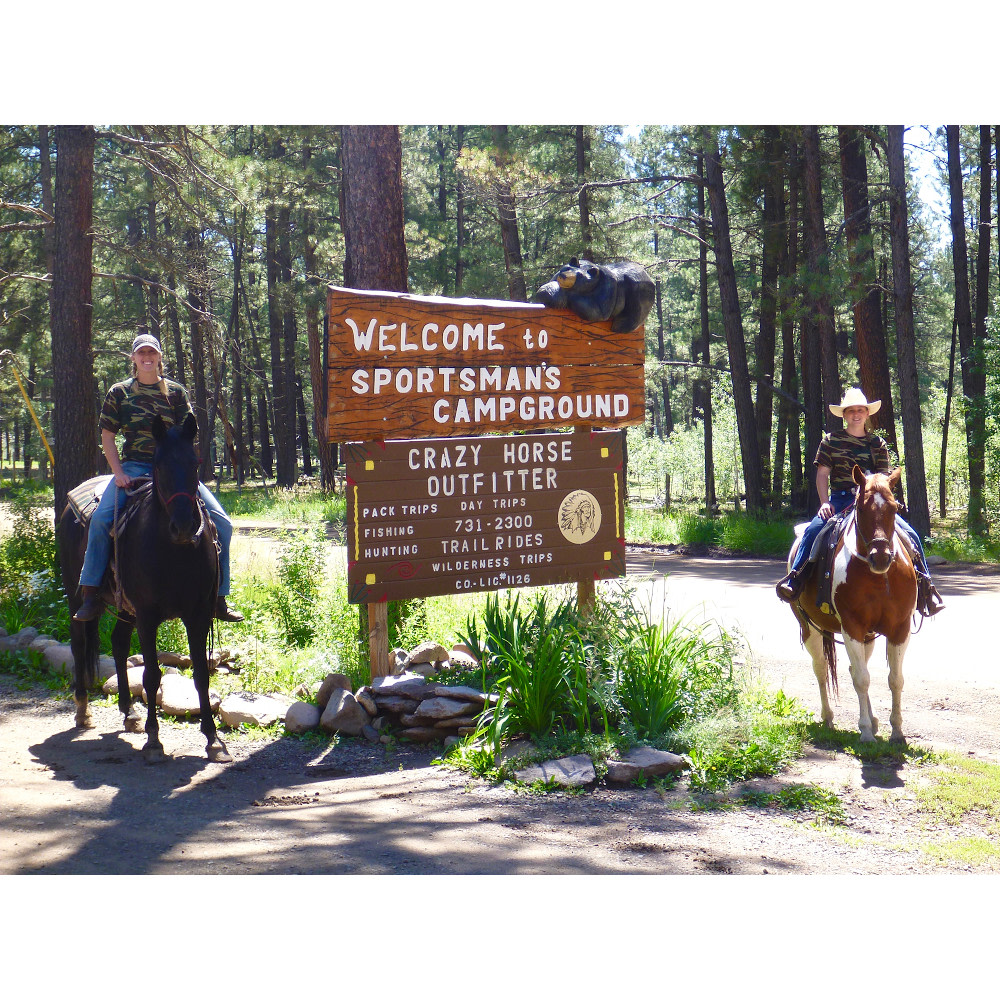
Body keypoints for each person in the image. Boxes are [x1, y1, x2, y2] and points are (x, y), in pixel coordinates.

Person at [73, 331, 244, 623]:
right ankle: (91, 593)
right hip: (136, 467)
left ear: (159, 357)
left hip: (173, 470)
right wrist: (118, 474)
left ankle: (219, 596)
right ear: (134, 358)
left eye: (152, 353)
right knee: (101, 519)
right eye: (142, 353)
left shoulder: (176, 392)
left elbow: (187, 433)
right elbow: (107, 436)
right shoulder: (119, 392)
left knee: (223, 525)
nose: (147, 358)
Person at [776, 387, 944, 617]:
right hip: (840, 499)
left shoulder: (877, 443)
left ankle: (926, 588)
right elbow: (823, 474)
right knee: (814, 530)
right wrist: (825, 503)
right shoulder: (831, 441)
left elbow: (883, 479)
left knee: (910, 535)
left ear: (867, 414)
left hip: (871, 502)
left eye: (860, 410)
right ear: (844, 415)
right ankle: (796, 577)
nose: (856, 414)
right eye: (851, 410)